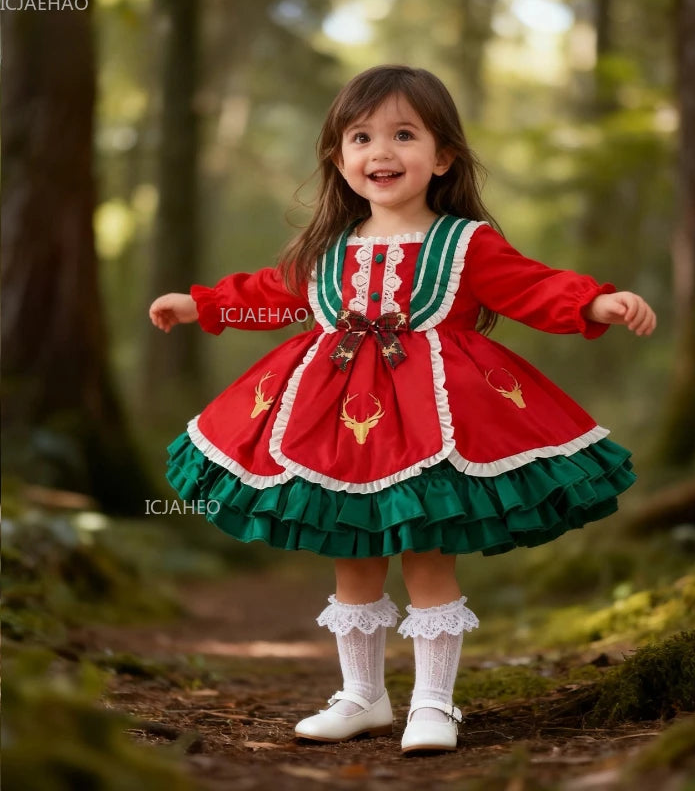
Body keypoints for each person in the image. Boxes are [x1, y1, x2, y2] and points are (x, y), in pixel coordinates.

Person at [149, 65, 656, 755]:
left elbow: (531, 288)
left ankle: (434, 704)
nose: (380, 152)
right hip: (334, 427)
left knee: (426, 555)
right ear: (339, 157)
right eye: (361, 137)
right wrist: (202, 305)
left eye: (404, 134)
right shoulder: (326, 248)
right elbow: (271, 294)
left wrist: (593, 302)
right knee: (352, 557)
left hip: (434, 427)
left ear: (442, 156)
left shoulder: (464, 243)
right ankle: (361, 696)